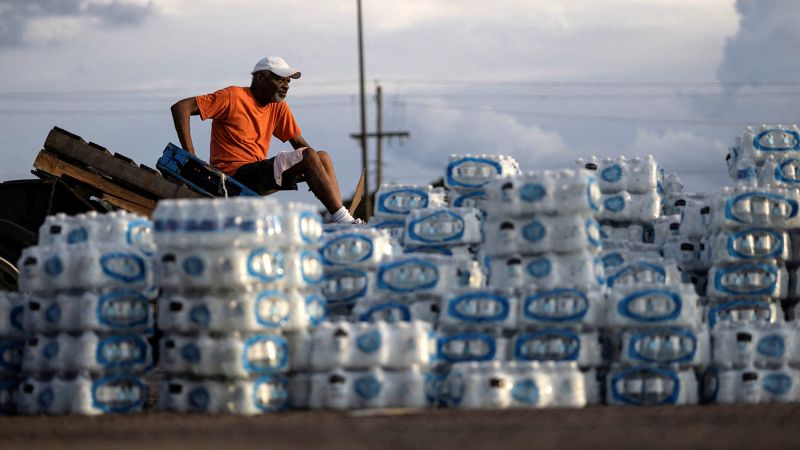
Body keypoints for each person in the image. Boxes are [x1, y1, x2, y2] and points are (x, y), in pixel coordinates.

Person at [171, 56, 361, 224]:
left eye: (288, 81)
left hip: (258, 173)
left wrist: (316, 171)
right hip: (234, 174)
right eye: (280, 79)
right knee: (310, 156)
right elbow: (181, 108)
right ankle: (343, 218)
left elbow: (299, 143)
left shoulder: (277, 106)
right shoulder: (233, 96)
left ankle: (343, 219)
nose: (286, 85)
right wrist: (190, 156)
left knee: (322, 157)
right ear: (260, 77)